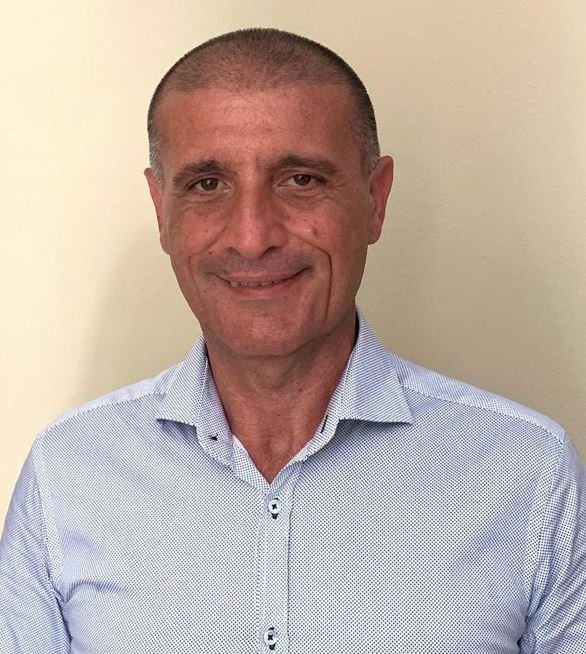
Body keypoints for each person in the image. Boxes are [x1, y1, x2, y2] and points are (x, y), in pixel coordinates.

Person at [1, 27, 584, 654]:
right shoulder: (68, 473)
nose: (252, 237)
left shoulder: (527, 473)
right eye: (207, 184)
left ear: (375, 199)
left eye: (301, 180)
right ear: (161, 209)